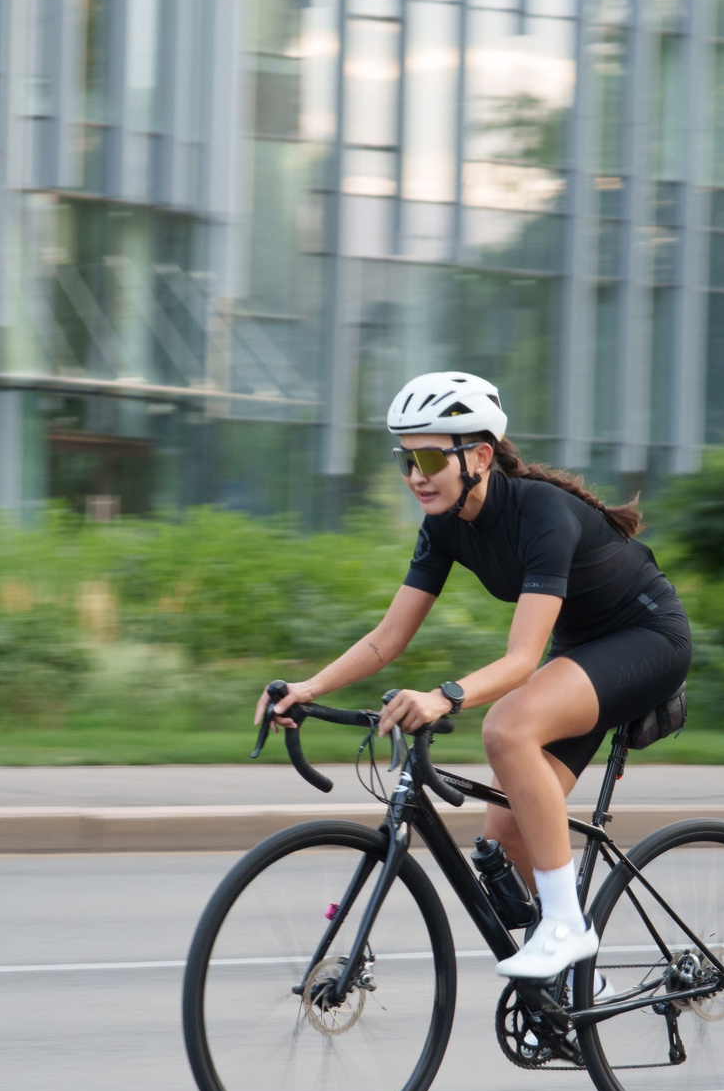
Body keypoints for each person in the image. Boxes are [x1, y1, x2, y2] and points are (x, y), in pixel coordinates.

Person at [260, 371, 691, 981]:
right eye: (405, 460)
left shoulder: (542, 513)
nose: (415, 476)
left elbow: (521, 662)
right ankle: (578, 985)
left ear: (480, 456)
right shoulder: (445, 523)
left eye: (430, 458)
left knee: (506, 727)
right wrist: (308, 688)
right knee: (505, 837)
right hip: (581, 651)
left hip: (648, 640)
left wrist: (445, 697)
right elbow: (388, 638)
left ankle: (566, 927)